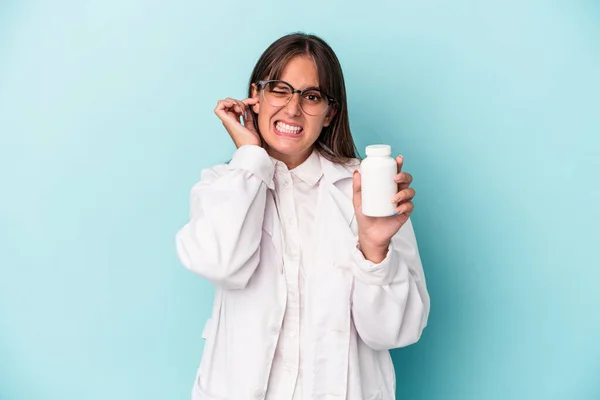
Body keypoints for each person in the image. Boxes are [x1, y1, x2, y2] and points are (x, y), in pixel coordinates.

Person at [175, 32, 430, 400]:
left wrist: (375, 249)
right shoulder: (223, 185)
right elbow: (219, 264)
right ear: (256, 97)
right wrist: (249, 156)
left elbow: (393, 333)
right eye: (279, 90)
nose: (292, 109)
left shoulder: (367, 191)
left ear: (330, 113)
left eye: (311, 96)